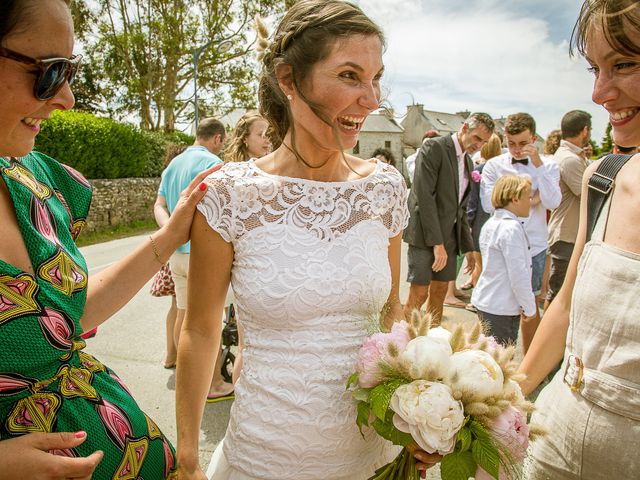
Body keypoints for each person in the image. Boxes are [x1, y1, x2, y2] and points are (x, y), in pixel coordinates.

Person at [175, 2, 439, 479]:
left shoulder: (383, 188)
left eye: (375, 78)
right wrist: (188, 457)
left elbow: (389, 314)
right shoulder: (230, 195)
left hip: (369, 453)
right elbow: (200, 330)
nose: (371, 98)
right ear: (289, 80)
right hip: (265, 453)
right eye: (350, 76)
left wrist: (420, 414)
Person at [0, 0, 215, 478]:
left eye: (70, 71)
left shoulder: (30, 180)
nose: (67, 98)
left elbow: (64, 320)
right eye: (51, 71)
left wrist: (171, 232)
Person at [519, 1, 640, 478]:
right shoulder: (603, 178)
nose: (599, 93)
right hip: (555, 444)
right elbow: (565, 306)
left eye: (625, 63)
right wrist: (501, 401)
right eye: (595, 68)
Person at [153, 118, 234, 402]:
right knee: (208, 323)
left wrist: (170, 233)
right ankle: (212, 383)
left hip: (176, 253)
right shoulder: (211, 164)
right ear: (217, 139)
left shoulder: (172, 165)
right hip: (201, 254)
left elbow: (159, 204)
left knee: (184, 314)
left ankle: (186, 374)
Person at [480, 113, 561, 353]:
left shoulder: (548, 165)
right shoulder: (494, 165)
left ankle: (529, 360)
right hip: (501, 242)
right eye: (511, 143)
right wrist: (527, 198)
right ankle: (499, 355)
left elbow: (553, 201)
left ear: (534, 139)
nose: (516, 150)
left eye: (522, 143)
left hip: (534, 245)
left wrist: (538, 166)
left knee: (531, 303)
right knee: (501, 299)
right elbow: (487, 204)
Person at [403, 113, 494, 326]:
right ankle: (404, 340)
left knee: (441, 290)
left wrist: (469, 249)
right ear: (464, 128)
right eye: (476, 138)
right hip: (425, 234)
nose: (478, 145)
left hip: (449, 237)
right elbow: (424, 197)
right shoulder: (434, 147)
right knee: (420, 292)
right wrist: (437, 244)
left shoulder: (469, 163)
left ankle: (432, 341)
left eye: (484, 142)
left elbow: (460, 210)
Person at [470, 175, 537, 345]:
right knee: (499, 361)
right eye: (527, 197)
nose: (530, 202)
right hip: (501, 305)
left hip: (488, 300)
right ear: (515, 199)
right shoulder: (511, 228)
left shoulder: (492, 223)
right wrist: (529, 306)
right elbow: (518, 272)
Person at [545, 111, 592, 309]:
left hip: (568, 233)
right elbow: (589, 194)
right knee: (558, 295)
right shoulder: (570, 160)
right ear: (585, 131)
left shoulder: (571, 156)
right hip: (566, 234)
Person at [150, 143, 186, 369]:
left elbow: (160, 206)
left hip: (172, 250)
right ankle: (181, 358)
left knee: (175, 306)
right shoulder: (184, 176)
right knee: (181, 306)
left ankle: (170, 356)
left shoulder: (168, 177)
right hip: (183, 247)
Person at [463, 133, 503, 292]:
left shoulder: (478, 170)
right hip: (497, 223)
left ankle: (477, 299)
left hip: (480, 223)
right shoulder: (504, 170)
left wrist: (469, 223)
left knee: (480, 265)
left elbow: (471, 202)